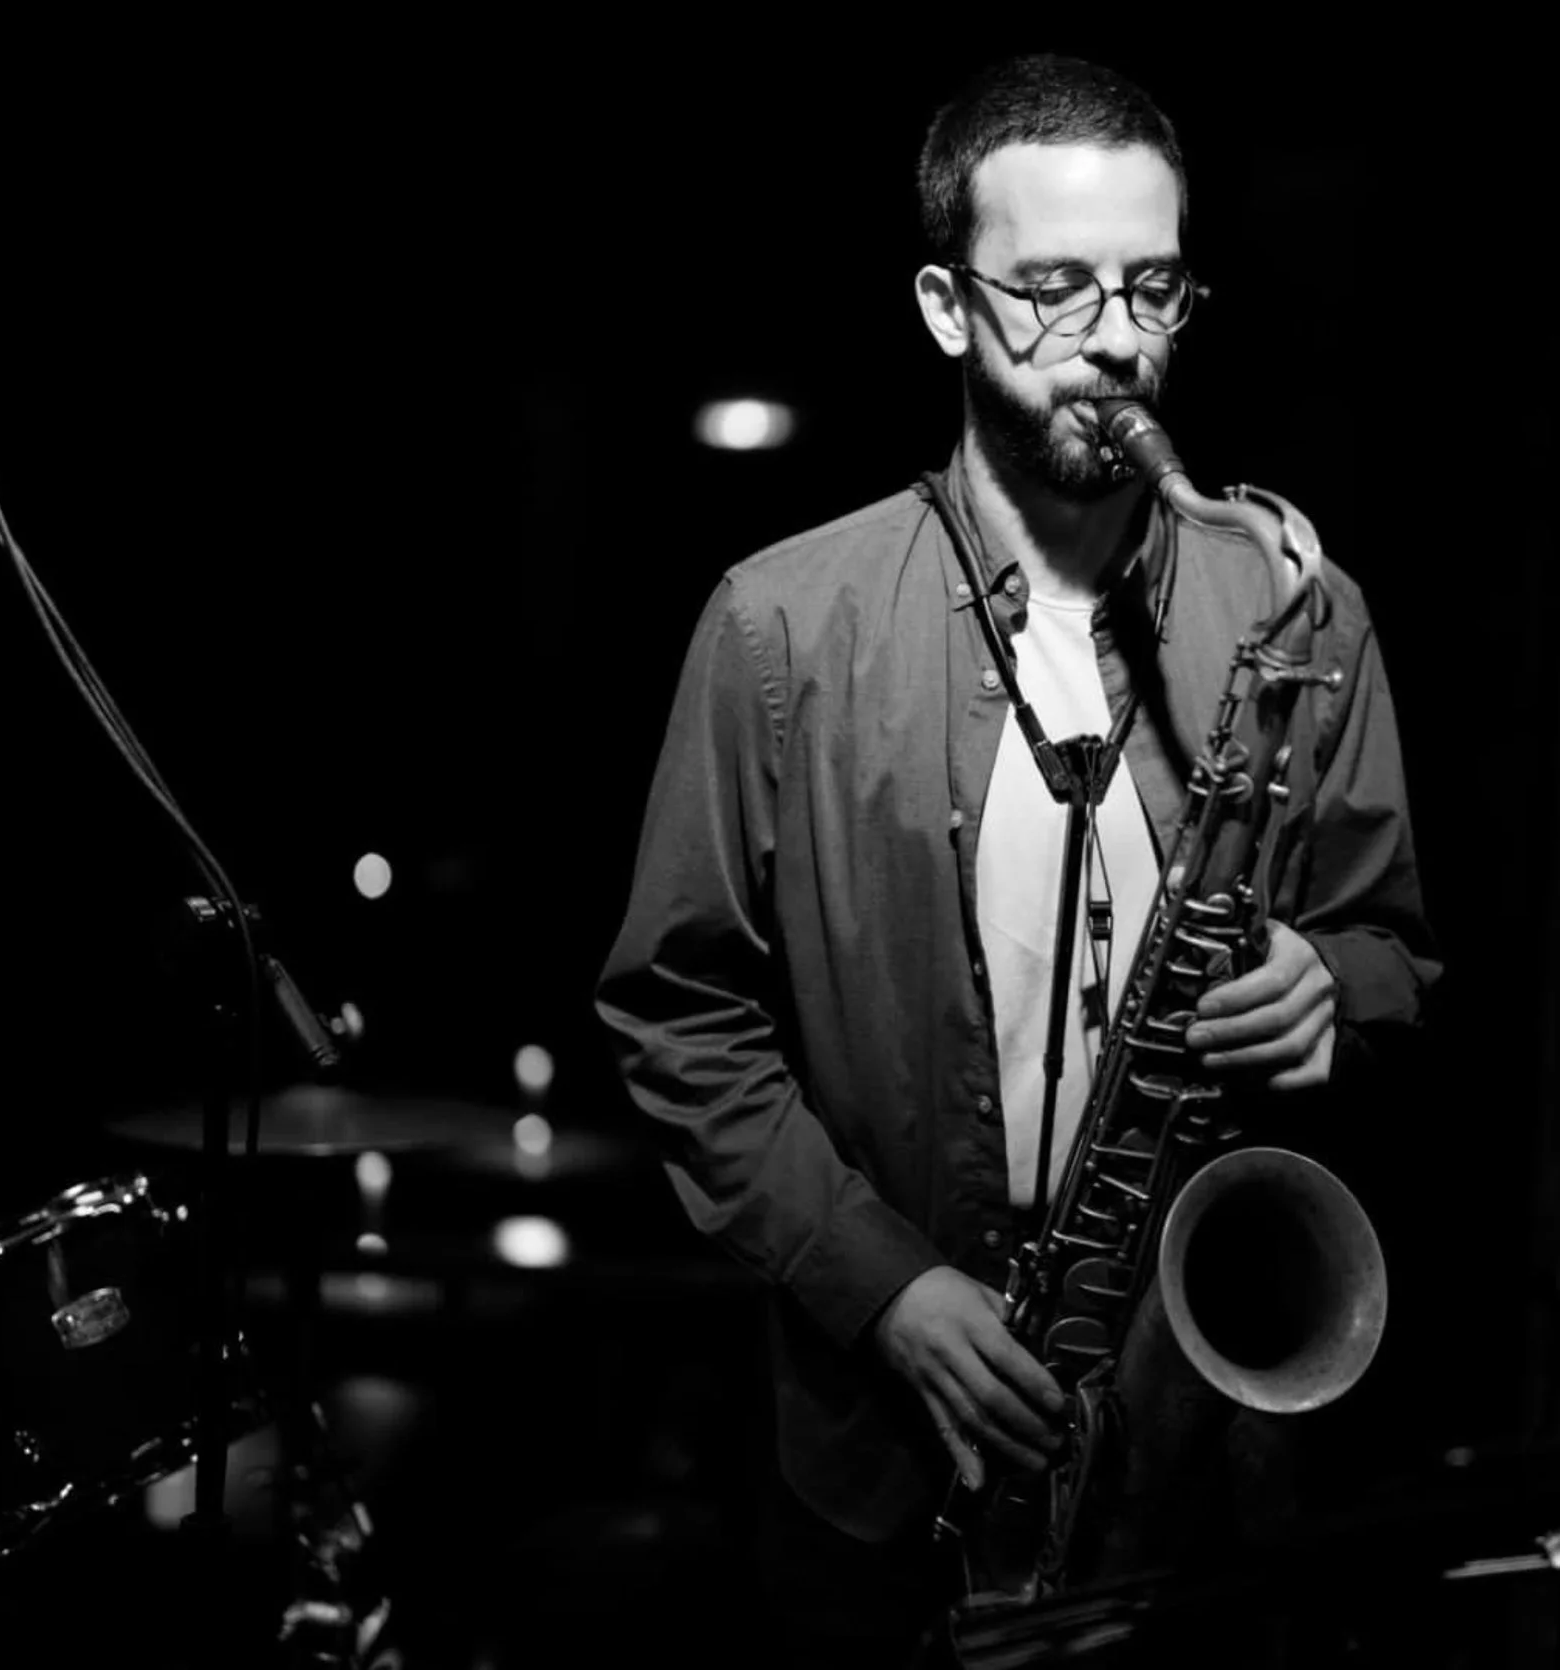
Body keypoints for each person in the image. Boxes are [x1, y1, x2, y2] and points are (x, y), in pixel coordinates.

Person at [596, 52, 1438, 1663]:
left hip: (1197, 1461)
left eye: (1151, 286)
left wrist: (1335, 984)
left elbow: (1398, 953)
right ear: (942, 304)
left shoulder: (1295, 604)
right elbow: (675, 1016)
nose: (1116, 339)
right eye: (1051, 287)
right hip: (875, 1460)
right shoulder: (782, 625)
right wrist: (882, 1288)